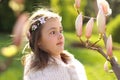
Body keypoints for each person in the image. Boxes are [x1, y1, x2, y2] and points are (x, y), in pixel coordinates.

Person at [23, 9, 87, 80]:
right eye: (53, 32)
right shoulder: (40, 74)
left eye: (60, 31)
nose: (60, 36)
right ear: (38, 40)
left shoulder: (71, 61)